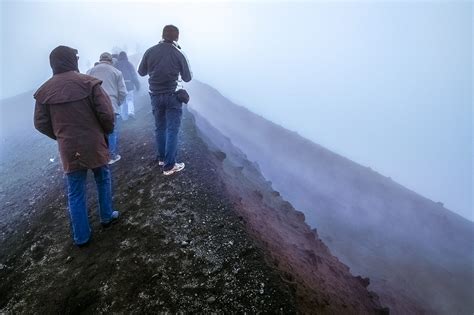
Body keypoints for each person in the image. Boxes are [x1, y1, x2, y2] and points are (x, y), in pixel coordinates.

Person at [34, 45, 119, 247]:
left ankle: (81, 236)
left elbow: (40, 124)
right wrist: (105, 132)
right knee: (103, 177)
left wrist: (61, 137)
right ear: (73, 61)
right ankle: (107, 216)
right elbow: (106, 114)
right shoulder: (89, 83)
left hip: (69, 148)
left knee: (75, 191)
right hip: (94, 142)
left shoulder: (44, 92)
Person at [138, 25, 192, 176]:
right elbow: (188, 77)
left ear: (162, 35)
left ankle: (162, 159)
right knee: (172, 130)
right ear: (177, 37)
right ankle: (169, 166)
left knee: (160, 128)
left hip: (155, 95)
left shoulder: (150, 51)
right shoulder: (179, 53)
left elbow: (141, 72)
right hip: (173, 96)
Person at [87, 52, 127, 164]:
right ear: (110, 61)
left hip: (94, 107)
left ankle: (99, 156)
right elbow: (123, 92)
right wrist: (117, 103)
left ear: (100, 60)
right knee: (112, 131)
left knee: (98, 132)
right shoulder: (116, 72)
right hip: (111, 105)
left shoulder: (89, 72)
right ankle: (111, 156)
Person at [114, 51, 140, 120]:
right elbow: (133, 75)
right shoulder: (129, 64)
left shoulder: (116, 65)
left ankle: (123, 117)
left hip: (120, 85)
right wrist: (137, 85)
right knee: (130, 99)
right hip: (129, 84)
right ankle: (131, 112)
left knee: (122, 101)